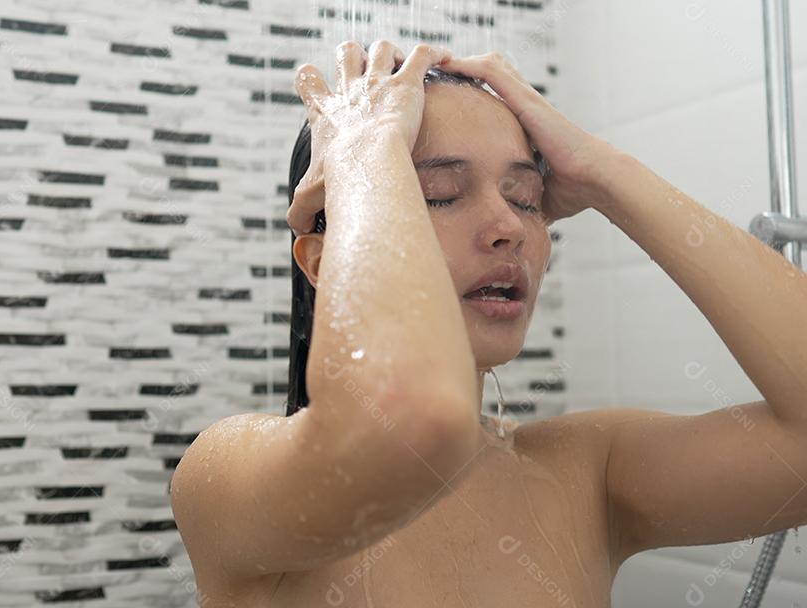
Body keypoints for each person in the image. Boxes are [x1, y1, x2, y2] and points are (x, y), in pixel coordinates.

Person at [170, 41, 807, 607]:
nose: (508, 227)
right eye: (439, 193)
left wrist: (606, 172)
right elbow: (405, 427)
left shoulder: (587, 473)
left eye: (525, 198)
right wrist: (365, 150)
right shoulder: (231, 482)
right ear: (321, 261)